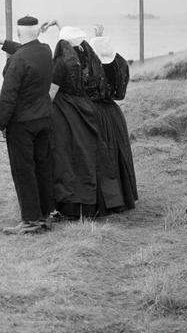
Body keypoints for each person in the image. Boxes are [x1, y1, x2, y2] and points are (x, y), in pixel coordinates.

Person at [0, 16, 55, 234]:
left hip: (22, 124)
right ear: (37, 33)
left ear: (18, 33)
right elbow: (27, 49)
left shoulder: (17, 61)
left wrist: (0, 125)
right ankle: (45, 215)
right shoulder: (45, 50)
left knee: (24, 171)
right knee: (42, 168)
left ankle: (31, 221)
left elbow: (8, 96)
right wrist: (2, 43)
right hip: (44, 118)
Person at [48, 25, 121, 219]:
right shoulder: (86, 60)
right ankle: (93, 205)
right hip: (84, 109)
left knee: (65, 158)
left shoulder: (61, 64)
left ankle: (68, 207)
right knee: (87, 156)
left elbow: (51, 94)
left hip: (64, 112)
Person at [87, 36, 138, 212]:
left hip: (94, 113)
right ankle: (122, 196)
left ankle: (103, 201)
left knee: (100, 156)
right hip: (113, 113)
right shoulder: (119, 65)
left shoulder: (92, 69)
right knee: (117, 154)